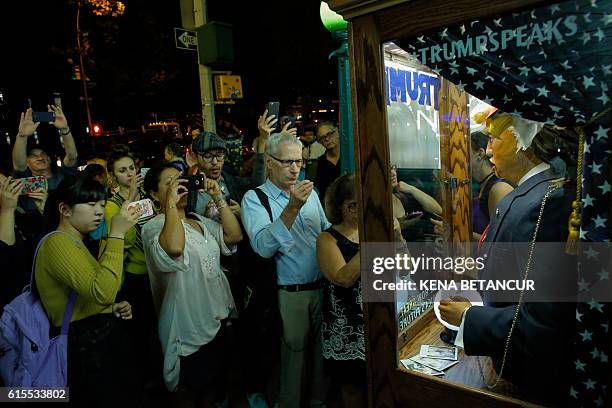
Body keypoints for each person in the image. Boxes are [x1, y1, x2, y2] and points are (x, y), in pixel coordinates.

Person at [439, 112, 578, 405]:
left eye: (494, 139)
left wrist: (469, 318)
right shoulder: (531, 194)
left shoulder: (545, 202)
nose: (488, 150)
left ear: (521, 143)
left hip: (528, 376)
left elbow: (545, 317)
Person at [141, 163, 244, 407]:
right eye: (169, 183)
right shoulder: (153, 227)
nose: (179, 186)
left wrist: (218, 197)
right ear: (155, 194)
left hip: (215, 319)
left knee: (214, 387)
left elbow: (233, 236)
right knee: (192, 391)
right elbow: (175, 248)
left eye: (181, 180)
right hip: (187, 326)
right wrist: (170, 206)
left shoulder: (199, 221)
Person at [241, 131, 331, 408]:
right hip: (289, 295)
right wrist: (292, 207)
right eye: (287, 162)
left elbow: (325, 232)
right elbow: (262, 247)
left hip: (323, 288)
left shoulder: (311, 192)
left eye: (299, 162)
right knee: (291, 367)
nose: (295, 169)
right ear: (268, 162)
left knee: (320, 364)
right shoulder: (255, 199)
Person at [35, 173, 140, 406]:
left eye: (102, 205)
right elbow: (102, 290)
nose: (99, 211)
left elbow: (97, 291)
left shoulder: (75, 241)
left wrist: (108, 308)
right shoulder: (57, 242)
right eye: (91, 204)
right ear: (65, 209)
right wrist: (117, 233)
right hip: (86, 348)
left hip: (95, 338)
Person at [104, 144, 158, 394]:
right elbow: (123, 241)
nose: (129, 173)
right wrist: (130, 202)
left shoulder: (148, 197)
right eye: (122, 170)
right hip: (135, 277)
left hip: (157, 271)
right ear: (113, 176)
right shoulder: (112, 206)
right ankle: (143, 381)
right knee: (141, 332)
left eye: (131, 168)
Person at [316, 173, 365, 408]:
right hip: (345, 328)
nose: (358, 210)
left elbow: (404, 268)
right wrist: (374, 240)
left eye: (363, 203)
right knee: (351, 386)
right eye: (352, 205)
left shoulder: (379, 231)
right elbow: (343, 278)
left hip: (378, 321)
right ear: (339, 206)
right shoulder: (327, 238)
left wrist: (395, 236)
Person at [12, 107, 78, 212]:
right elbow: (19, 164)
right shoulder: (25, 183)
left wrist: (65, 130)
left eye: (43, 154)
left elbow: (72, 156)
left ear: (49, 159)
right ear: (27, 163)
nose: (40, 157)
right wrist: (22, 136)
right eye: (33, 156)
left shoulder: (63, 175)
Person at [469, 131, 513, 238]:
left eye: (463, 152)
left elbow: (501, 242)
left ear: (480, 154)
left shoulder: (500, 189)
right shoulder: (481, 186)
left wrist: (460, 234)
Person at [311, 122, 341, 202]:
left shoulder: (350, 156)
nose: (327, 139)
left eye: (330, 134)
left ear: (337, 131)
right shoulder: (318, 164)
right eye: (322, 138)